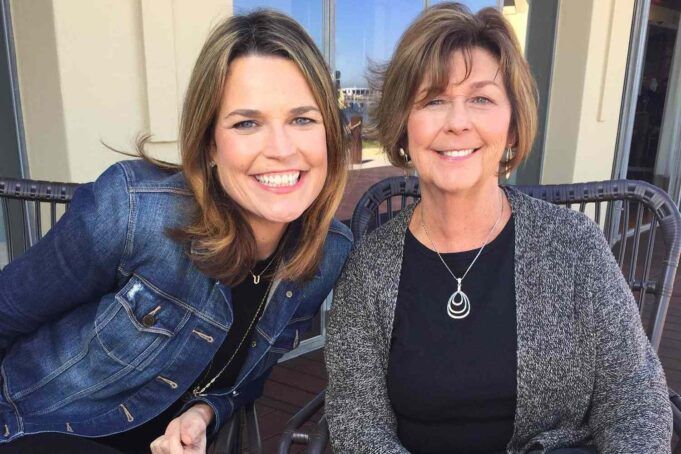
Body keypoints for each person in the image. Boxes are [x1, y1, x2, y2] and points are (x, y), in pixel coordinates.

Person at [0, 9, 352, 454]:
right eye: (246, 123)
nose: (281, 149)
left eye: (302, 119)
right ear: (210, 144)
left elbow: (252, 371)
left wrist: (202, 412)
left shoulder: (327, 253)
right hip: (33, 427)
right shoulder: (133, 211)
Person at [324, 3, 672, 453]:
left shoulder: (574, 246)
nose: (457, 122)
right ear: (403, 128)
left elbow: (634, 397)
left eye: (481, 99)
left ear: (511, 127)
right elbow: (356, 417)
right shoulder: (368, 268)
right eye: (433, 100)